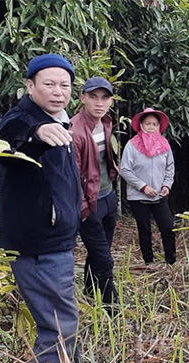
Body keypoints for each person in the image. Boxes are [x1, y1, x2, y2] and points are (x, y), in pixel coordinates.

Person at [0, 54, 80, 363]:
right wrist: (37, 134)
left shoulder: (59, 119)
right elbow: (10, 141)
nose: (58, 92)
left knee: (61, 320)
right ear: (29, 86)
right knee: (59, 325)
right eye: (49, 84)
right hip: (38, 244)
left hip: (54, 240)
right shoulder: (22, 119)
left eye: (64, 85)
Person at [70, 77, 119, 306]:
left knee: (100, 251)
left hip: (108, 196)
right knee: (104, 259)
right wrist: (83, 209)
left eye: (104, 98)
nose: (99, 103)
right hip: (89, 204)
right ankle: (113, 309)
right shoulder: (75, 131)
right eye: (93, 97)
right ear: (82, 98)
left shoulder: (106, 122)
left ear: (110, 101)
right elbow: (72, 177)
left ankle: (90, 292)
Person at [119, 108, 176, 265]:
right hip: (138, 197)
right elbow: (124, 169)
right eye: (148, 123)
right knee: (144, 231)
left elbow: (170, 167)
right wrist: (143, 187)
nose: (151, 127)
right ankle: (148, 262)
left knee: (167, 228)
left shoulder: (164, 145)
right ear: (141, 125)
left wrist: (167, 185)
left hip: (159, 194)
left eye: (154, 124)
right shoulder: (132, 145)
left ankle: (171, 262)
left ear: (159, 126)